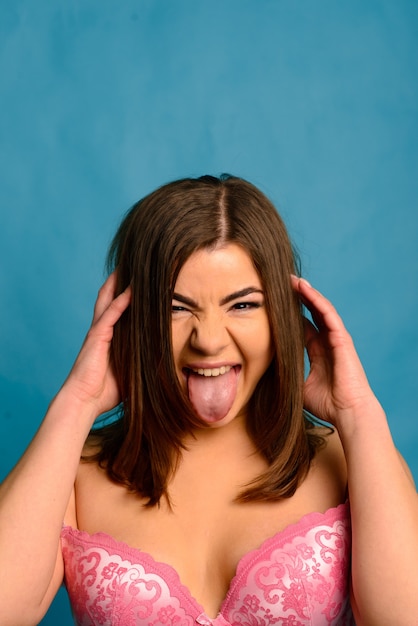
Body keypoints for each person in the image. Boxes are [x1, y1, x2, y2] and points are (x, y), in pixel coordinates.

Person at [0, 175, 417, 626]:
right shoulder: (73, 477)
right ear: (133, 318)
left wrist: (358, 413)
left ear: (283, 314)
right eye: (176, 307)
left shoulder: (353, 461)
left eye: (242, 305)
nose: (209, 340)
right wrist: (77, 402)